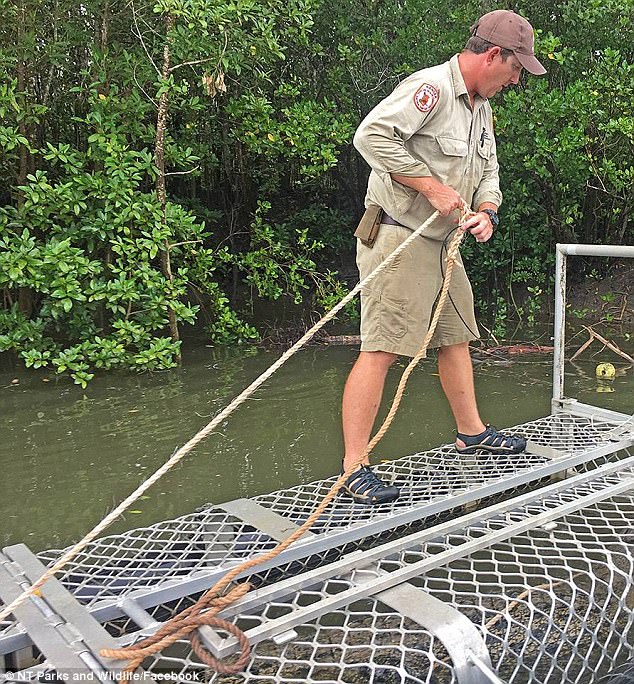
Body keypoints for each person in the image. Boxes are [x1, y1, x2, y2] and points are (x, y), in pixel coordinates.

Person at [341, 10, 547, 505]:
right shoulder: (430, 88)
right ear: (493, 55)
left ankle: (471, 433)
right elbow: (369, 136)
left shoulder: (482, 108)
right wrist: (431, 187)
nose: (517, 80)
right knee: (383, 347)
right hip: (398, 235)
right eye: (517, 69)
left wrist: (487, 211)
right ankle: (353, 469)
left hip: (444, 244)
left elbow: (489, 170)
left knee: (456, 337)